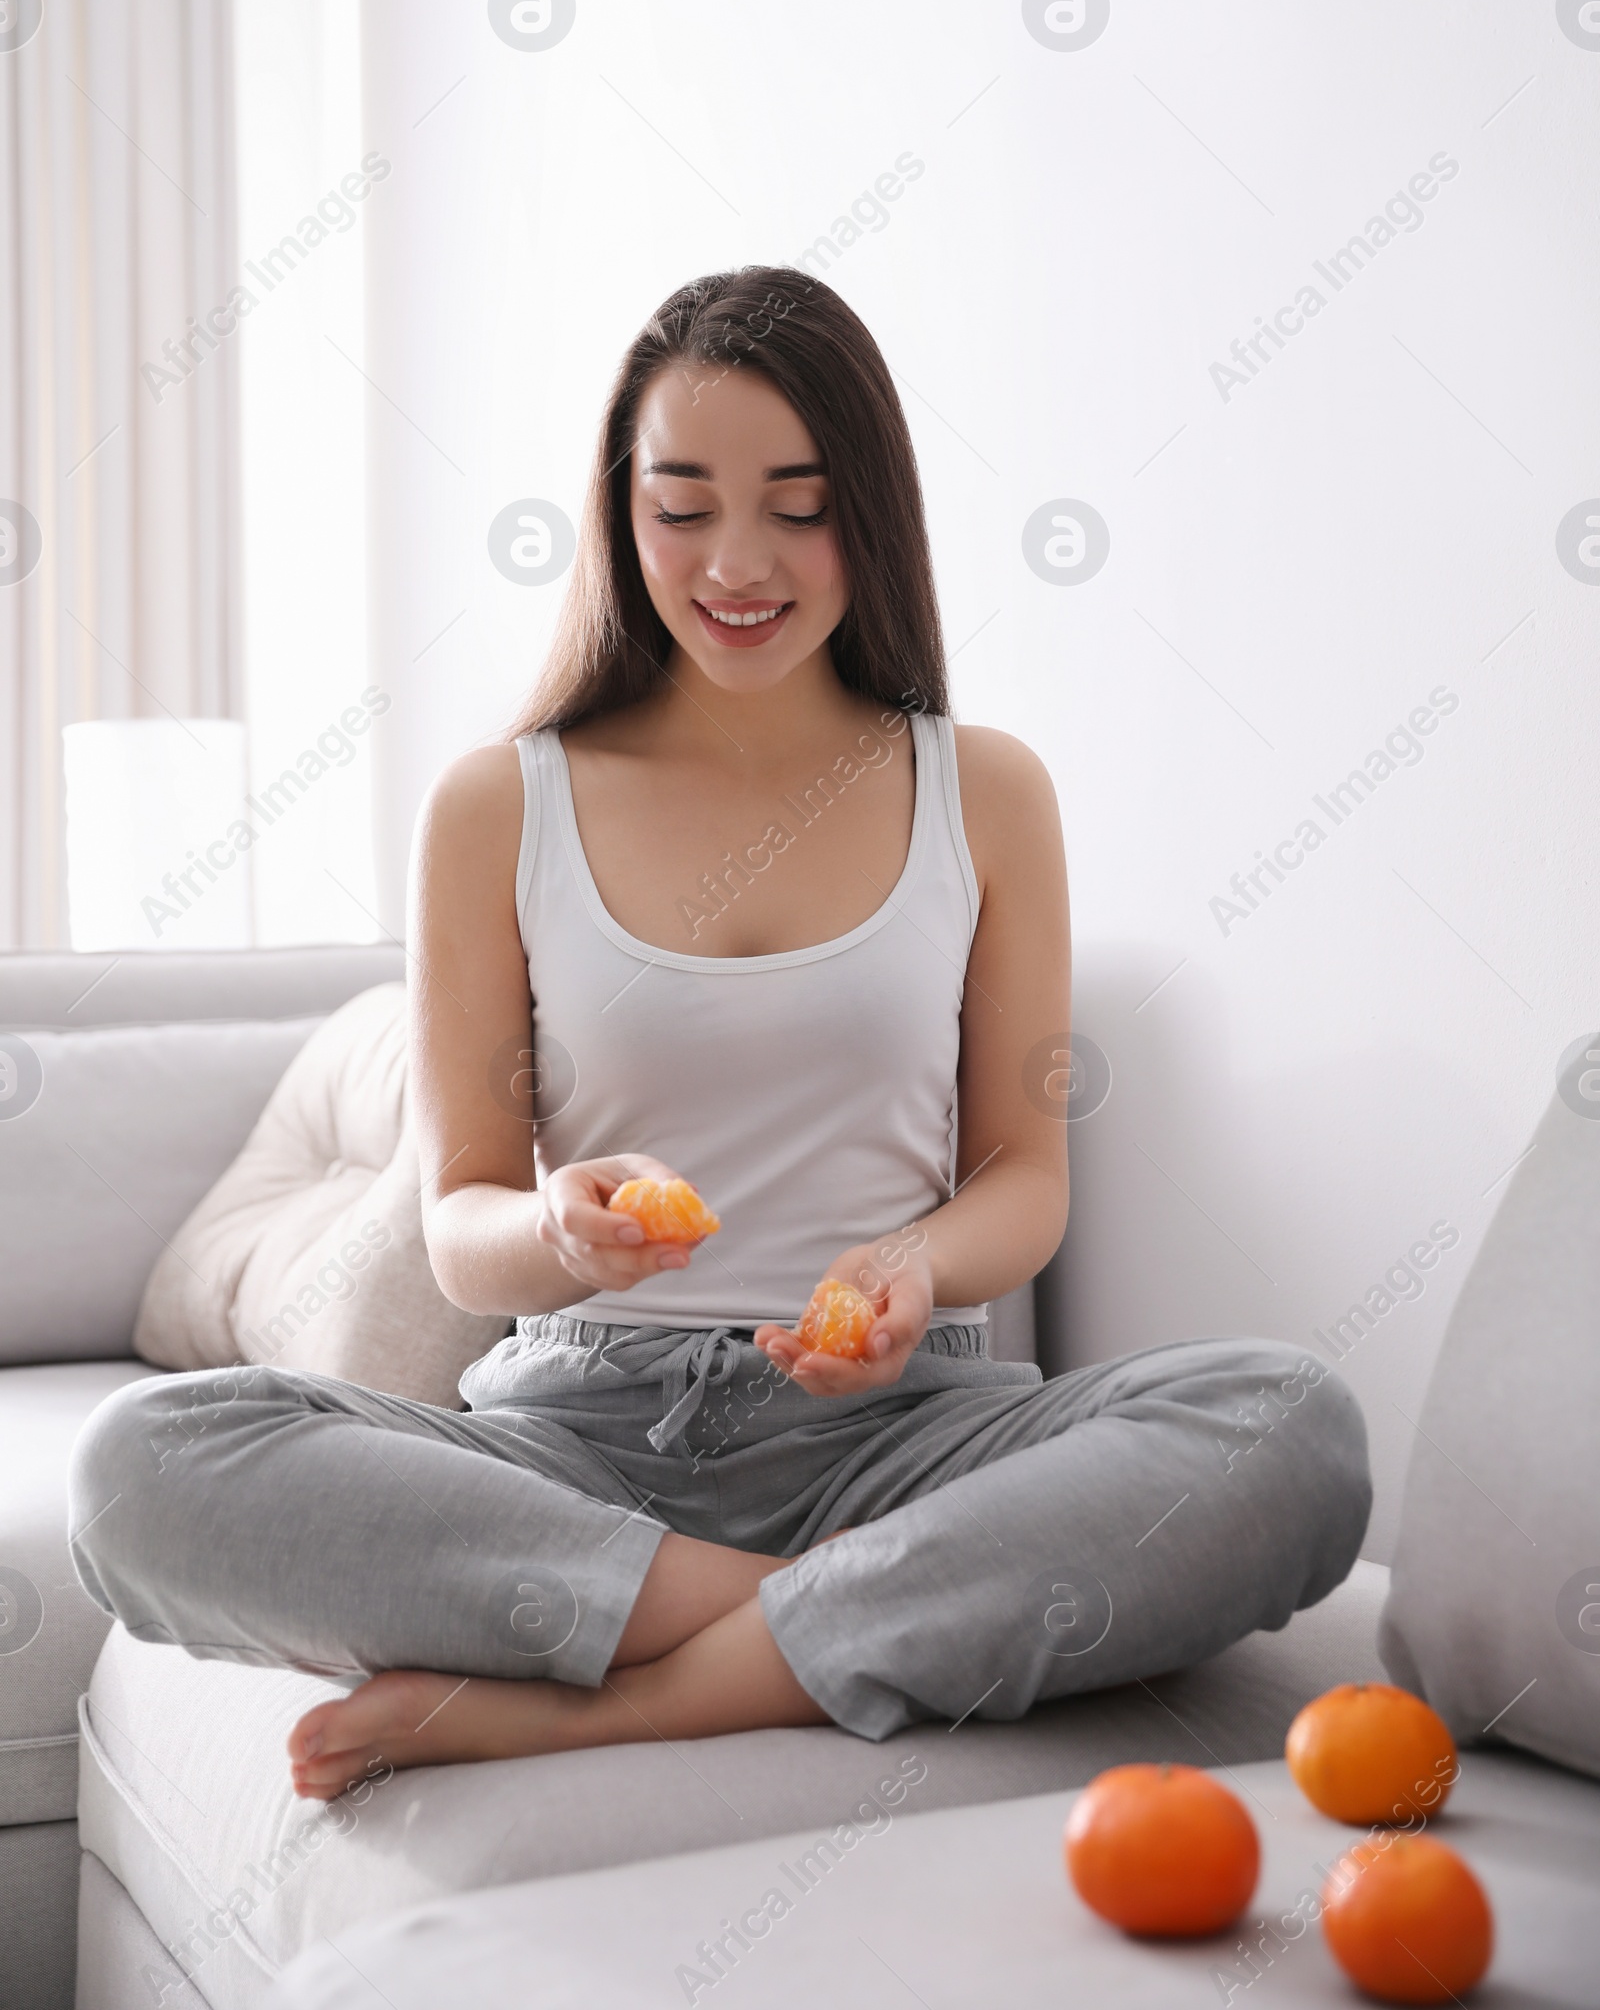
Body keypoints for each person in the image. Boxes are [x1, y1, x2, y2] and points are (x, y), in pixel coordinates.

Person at [71, 267, 1370, 1804]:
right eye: (682, 506)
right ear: (621, 513)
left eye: (797, 505)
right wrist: (558, 1230)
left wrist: (915, 1267)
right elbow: (462, 1225)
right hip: (581, 1448)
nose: (736, 561)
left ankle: (613, 1700)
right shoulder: (500, 806)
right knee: (140, 1466)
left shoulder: (987, 793)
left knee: (1294, 1427)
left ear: (868, 518)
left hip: (907, 1432)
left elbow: (1027, 1180)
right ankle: (879, 1617)